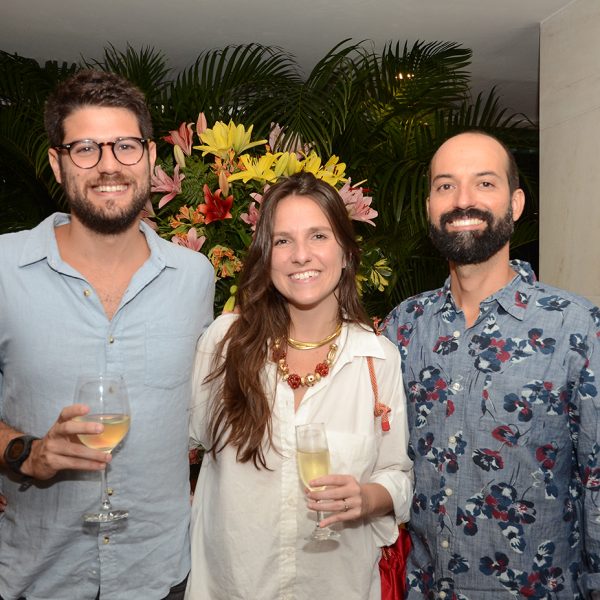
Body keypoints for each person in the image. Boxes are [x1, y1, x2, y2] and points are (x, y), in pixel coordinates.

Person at [0, 70, 214, 600]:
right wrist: (25, 453)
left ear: (148, 156)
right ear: (56, 162)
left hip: (160, 572)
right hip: (39, 574)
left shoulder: (194, 277)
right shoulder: (3, 269)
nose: (109, 166)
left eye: (124, 146)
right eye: (86, 149)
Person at [382, 130, 600, 599]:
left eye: (484, 183)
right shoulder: (403, 326)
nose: (463, 201)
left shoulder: (577, 327)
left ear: (516, 203)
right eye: (445, 185)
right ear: (429, 207)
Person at [185, 172, 413, 599]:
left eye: (318, 236)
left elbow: (397, 474)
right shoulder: (224, 343)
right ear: (265, 256)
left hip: (338, 586)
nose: (301, 255)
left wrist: (367, 498)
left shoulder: (377, 358)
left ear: (346, 252)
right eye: (283, 240)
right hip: (233, 585)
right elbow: (176, 447)